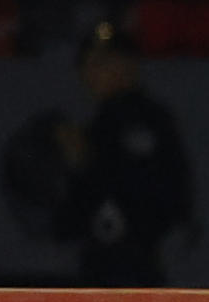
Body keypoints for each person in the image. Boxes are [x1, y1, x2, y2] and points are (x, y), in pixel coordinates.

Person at [54, 23, 196, 286]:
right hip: (98, 266)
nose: (93, 72)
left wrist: (88, 163)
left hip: (142, 264)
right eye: (88, 65)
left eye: (104, 63)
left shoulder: (150, 121)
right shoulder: (96, 126)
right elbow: (70, 217)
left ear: (129, 65)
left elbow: (160, 198)